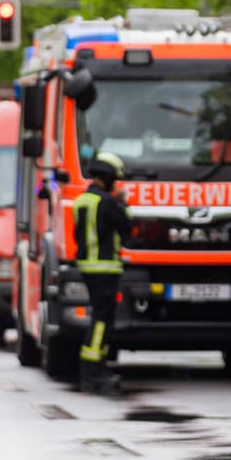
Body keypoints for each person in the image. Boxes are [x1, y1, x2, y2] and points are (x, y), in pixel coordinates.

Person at [74, 151, 132, 394]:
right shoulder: (107, 202)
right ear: (107, 177)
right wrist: (123, 204)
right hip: (105, 268)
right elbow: (127, 229)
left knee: (97, 317)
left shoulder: (81, 201)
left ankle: (92, 369)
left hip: (87, 266)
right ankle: (94, 371)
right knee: (101, 320)